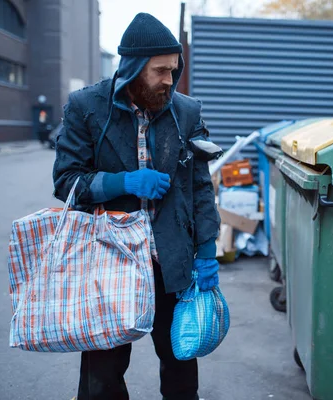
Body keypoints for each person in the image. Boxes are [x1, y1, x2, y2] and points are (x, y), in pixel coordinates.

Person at [52, 12, 221, 400]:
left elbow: (199, 190)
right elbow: (66, 182)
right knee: (102, 377)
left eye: (173, 70)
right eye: (160, 70)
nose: (168, 79)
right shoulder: (85, 107)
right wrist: (122, 182)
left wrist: (207, 252)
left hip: (170, 260)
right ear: (132, 67)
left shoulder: (187, 112)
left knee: (181, 366)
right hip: (110, 263)